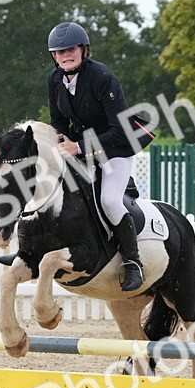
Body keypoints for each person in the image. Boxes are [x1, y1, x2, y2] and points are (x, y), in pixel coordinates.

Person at [45, 22, 154, 291]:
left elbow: (119, 130)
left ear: (83, 50)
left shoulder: (101, 76)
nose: (65, 56)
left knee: (109, 200)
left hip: (116, 148)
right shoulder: (54, 79)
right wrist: (61, 140)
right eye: (59, 52)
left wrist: (80, 147)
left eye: (70, 49)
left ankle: (133, 262)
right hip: (80, 146)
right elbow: (58, 121)